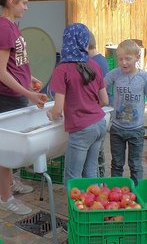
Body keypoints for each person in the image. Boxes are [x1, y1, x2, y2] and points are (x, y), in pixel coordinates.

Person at [0, 0, 48, 216]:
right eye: (24, 2)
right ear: (11, 2)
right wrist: (28, 93)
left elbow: (17, 62)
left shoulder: (12, 26)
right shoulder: (4, 29)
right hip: (7, 96)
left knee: (14, 146)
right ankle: (5, 198)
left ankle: (12, 183)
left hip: (16, 93)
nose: (27, 7)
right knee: (7, 150)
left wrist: (29, 77)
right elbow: (0, 70)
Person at [47, 23, 109, 183]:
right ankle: (92, 207)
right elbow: (104, 100)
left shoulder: (62, 70)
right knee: (90, 172)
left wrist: (51, 113)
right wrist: (90, 109)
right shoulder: (94, 64)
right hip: (100, 124)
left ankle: (75, 208)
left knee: (72, 178)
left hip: (81, 130)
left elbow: (58, 110)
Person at [104, 39, 147, 185]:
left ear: (137, 57)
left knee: (135, 165)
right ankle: (115, 193)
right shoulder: (114, 74)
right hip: (117, 129)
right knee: (116, 164)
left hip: (136, 130)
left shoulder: (144, 77)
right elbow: (99, 86)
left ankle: (137, 193)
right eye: (120, 59)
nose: (124, 62)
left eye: (128, 58)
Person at [86, 32, 110, 177]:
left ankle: (99, 180)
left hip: (101, 110)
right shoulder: (100, 60)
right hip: (102, 110)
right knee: (97, 151)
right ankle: (99, 179)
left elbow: (102, 94)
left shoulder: (95, 63)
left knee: (97, 151)